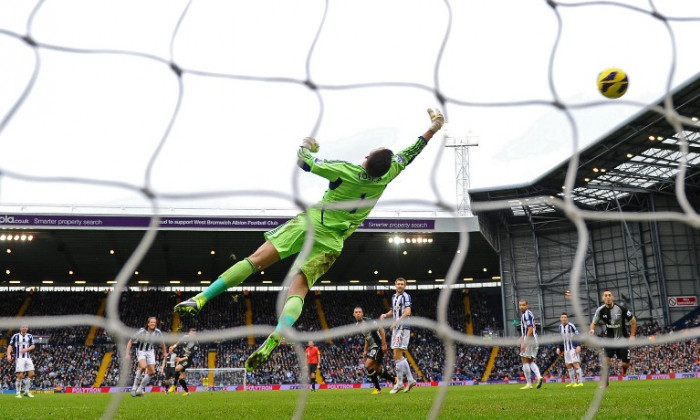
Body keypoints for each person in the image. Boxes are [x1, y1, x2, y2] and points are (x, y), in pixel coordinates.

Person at [174, 108, 445, 372]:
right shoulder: (386, 176)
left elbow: (304, 162)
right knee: (298, 290)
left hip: (310, 224)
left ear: (366, 156)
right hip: (333, 243)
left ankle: (201, 298)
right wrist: (433, 128)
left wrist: (305, 145)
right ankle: (279, 333)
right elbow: (411, 153)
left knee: (255, 261)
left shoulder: (345, 170)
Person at [589, 289, 636, 388]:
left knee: (625, 364)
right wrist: (592, 330)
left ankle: (624, 369)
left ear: (612, 297)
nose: (608, 297)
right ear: (603, 298)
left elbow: (633, 321)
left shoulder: (621, 309)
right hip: (609, 340)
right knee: (605, 362)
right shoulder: (600, 310)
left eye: (609, 295)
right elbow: (594, 323)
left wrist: (632, 336)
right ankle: (605, 384)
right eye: (605, 295)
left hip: (622, 340)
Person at [380, 277, 417, 394]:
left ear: (404, 286)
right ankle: (410, 380)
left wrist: (396, 322)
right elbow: (393, 311)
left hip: (403, 327)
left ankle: (400, 383)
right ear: (395, 285)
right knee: (397, 355)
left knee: (397, 354)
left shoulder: (406, 296)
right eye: (398, 284)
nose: (400, 286)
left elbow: (408, 312)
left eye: (402, 284)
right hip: (396, 329)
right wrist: (386, 315)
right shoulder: (394, 297)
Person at [353, 306, 395, 394]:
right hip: (373, 346)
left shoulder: (369, 321)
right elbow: (367, 338)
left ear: (362, 314)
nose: (358, 314)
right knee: (377, 368)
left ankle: (377, 388)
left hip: (378, 345)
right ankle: (394, 380)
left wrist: (384, 344)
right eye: (356, 312)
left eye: (359, 312)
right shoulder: (358, 325)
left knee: (368, 365)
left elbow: (381, 329)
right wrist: (365, 350)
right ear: (353, 314)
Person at [125, 316, 167, 397]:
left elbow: (162, 342)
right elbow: (130, 341)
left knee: (152, 372)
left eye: (154, 322)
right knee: (143, 367)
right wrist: (127, 354)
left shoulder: (158, 332)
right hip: (141, 351)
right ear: (148, 323)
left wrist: (164, 352)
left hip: (150, 351)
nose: (153, 324)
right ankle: (134, 387)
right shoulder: (141, 332)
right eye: (151, 322)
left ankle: (140, 390)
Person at [518, 299, 543, 390]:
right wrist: (522, 337)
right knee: (530, 361)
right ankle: (539, 376)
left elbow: (530, 329)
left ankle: (529, 384)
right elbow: (528, 329)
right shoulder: (529, 314)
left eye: (523, 305)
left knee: (524, 360)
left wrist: (525, 342)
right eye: (520, 305)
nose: (521, 307)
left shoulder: (526, 315)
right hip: (535, 339)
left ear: (527, 305)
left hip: (529, 340)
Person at [6, 324, 36, 398]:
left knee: (32, 374)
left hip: (28, 357)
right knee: (20, 375)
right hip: (19, 358)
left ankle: (26, 391)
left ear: (27, 328)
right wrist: (8, 355)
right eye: (23, 327)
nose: (24, 328)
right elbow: (10, 345)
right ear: (20, 328)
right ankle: (18, 393)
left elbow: (33, 345)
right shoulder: (15, 336)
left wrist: (26, 349)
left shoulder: (29, 336)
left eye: (25, 327)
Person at [556, 312, 583, 387]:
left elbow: (577, 336)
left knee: (575, 364)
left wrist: (578, 345)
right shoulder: (560, 327)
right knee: (568, 365)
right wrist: (558, 347)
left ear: (567, 318)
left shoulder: (571, 326)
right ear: (560, 318)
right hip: (566, 349)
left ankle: (580, 382)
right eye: (562, 317)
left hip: (572, 348)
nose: (564, 318)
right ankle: (573, 382)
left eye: (565, 317)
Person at [171, 327, 200, 396]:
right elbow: (179, 342)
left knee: (177, 368)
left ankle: (174, 385)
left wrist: (181, 359)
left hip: (187, 360)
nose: (193, 335)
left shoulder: (196, 343)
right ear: (189, 333)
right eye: (192, 333)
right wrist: (174, 346)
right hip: (181, 357)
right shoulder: (185, 337)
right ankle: (187, 392)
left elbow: (190, 355)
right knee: (180, 378)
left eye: (194, 334)